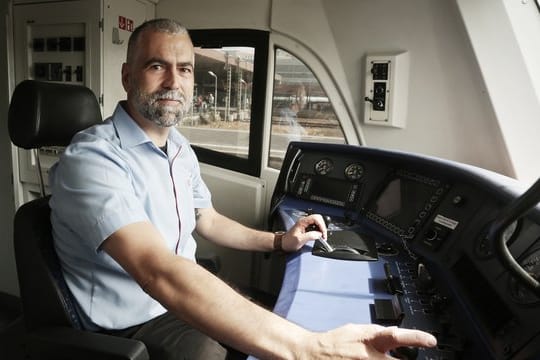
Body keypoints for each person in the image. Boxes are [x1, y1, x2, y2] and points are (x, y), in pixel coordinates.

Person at [49, 18, 437, 359]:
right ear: (127, 76)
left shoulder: (178, 147)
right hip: (135, 321)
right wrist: (307, 349)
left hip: (179, 291)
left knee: (278, 316)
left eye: (184, 69)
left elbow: (209, 220)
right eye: (156, 66)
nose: (173, 81)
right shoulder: (92, 159)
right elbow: (158, 272)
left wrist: (280, 241)